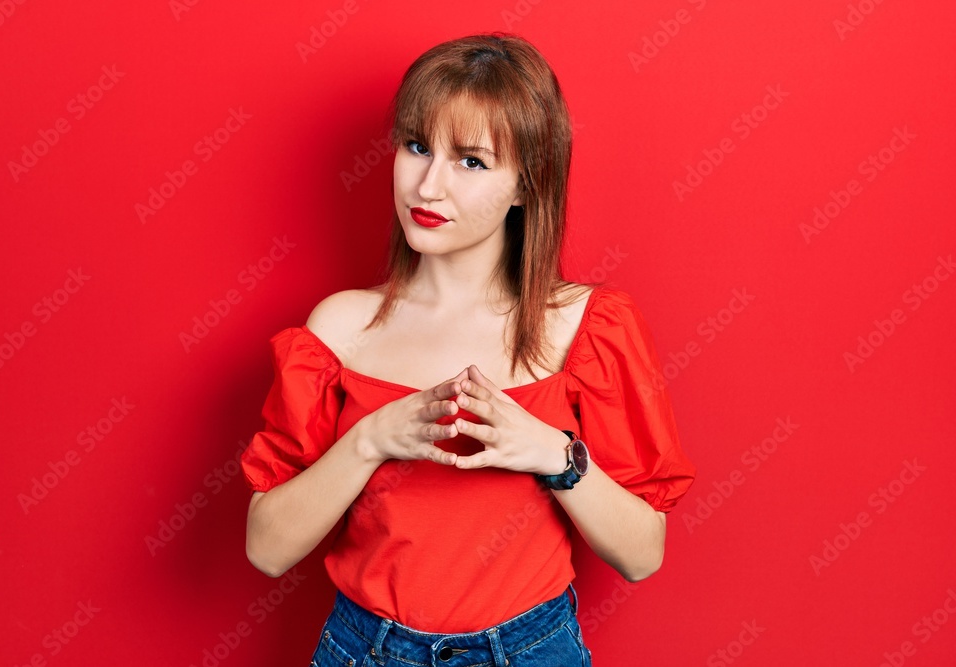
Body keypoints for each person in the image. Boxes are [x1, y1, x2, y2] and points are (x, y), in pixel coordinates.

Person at [240, 32, 696, 666]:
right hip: (365, 650)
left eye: (471, 161)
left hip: (531, 649)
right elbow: (266, 548)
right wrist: (370, 440)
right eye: (417, 146)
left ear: (525, 188)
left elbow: (643, 554)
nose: (428, 186)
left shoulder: (586, 326)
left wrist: (552, 454)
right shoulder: (341, 327)